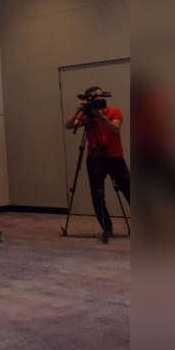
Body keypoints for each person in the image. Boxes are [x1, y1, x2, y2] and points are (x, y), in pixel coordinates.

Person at [65, 86, 131, 243]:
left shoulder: (114, 112)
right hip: (94, 159)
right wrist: (78, 112)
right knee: (97, 194)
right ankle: (107, 228)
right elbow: (69, 125)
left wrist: (101, 116)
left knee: (129, 189)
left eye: (101, 96)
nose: (100, 99)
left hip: (115, 158)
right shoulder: (87, 116)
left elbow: (115, 130)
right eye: (95, 97)